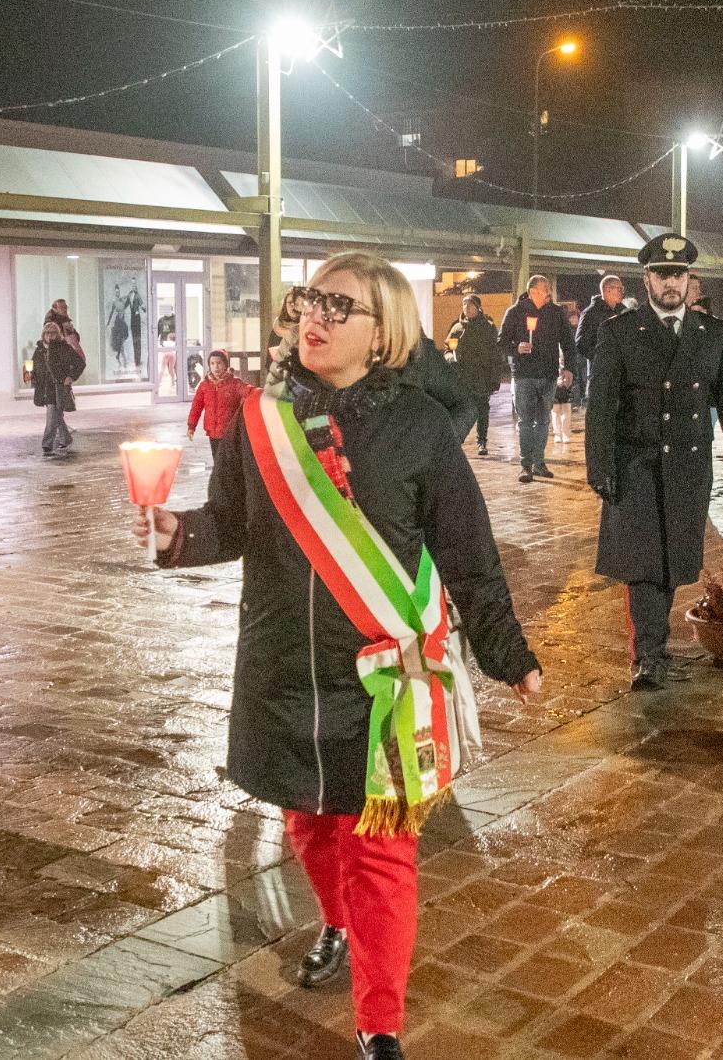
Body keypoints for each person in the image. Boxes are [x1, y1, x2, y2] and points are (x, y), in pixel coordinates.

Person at [136, 251, 541, 1060]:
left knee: (381, 847)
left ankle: (380, 1023)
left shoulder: (422, 426)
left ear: (383, 332)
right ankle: (339, 922)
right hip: (281, 668)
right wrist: (179, 534)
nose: (313, 317)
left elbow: (469, 551)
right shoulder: (255, 417)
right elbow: (233, 521)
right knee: (309, 826)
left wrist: (508, 652)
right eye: (309, 300)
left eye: (338, 307)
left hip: (382, 676)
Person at [586, 232, 723, 689]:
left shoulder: (712, 333)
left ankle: (654, 647)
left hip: (688, 466)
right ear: (647, 279)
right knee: (643, 563)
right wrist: (598, 463)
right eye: (662, 274)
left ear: (689, 280)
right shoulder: (618, 332)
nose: (670, 283)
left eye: (678, 274)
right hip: (636, 464)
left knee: (671, 563)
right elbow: (601, 404)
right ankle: (648, 655)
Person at [497, 275, 575, 483]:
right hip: (523, 375)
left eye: (548, 288)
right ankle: (526, 465)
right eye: (544, 289)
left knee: (543, 421)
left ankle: (539, 463)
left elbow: (568, 343)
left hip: (548, 375)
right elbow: (501, 342)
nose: (549, 292)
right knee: (525, 422)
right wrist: (516, 348)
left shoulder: (556, 313)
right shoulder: (515, 312)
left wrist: (568, 368)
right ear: (533, 291)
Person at [445, 294, 500, 456]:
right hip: (462, 377)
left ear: (478, 307)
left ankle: (481, 441)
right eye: (464, 305)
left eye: (470, 305)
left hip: (481, 377)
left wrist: (494, 379)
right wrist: (450, 358)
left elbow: (495, 356)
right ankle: (457, 441)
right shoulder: (457, 328)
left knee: (482, 410)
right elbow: (448, 349)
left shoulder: (488, 328)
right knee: (461, 410)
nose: (466, 308)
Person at [33, 320, 86, 457]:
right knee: (57, 415)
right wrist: (30, 375)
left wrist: (71, 377)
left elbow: (80, 363)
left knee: (52, 415)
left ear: (58, 334)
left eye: (53, 333)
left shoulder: (64, 347)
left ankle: (47, 444)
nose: (50, 335)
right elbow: (34, 367)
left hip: (58, 386)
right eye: (48, 333)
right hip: (45, 388)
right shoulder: (39, 349)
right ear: (43, 334)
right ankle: (66, 439)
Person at [186, 349, 251, 460]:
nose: (216, 367)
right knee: (217, 460)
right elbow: (196, 407)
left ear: (225, 364)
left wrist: (260, 393)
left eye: (219, 363)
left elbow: (248, 392)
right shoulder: (204, 385)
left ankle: (231, 477)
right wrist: (191, 426)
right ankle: (220, 476)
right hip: (213, 431)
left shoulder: (234, 383)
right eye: (212, 363)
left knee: (230, 461)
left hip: (230, 432)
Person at [576, 275, 626, 404]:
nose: (622, 292)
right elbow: (580, 342)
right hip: (600, 373)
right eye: (619, 289)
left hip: (622, 373)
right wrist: (600, 356)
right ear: (607, 289)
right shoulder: (591, 313)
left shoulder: (623, 312)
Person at [551, 301, 580, 443]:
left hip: (565, 373)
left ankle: (566, 433)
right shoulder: (549, 336)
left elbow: (572, 351)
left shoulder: (567, 335)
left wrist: (570, 370)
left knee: (566, 406)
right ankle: (557, 433)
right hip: (553, 374)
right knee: (556, 408)